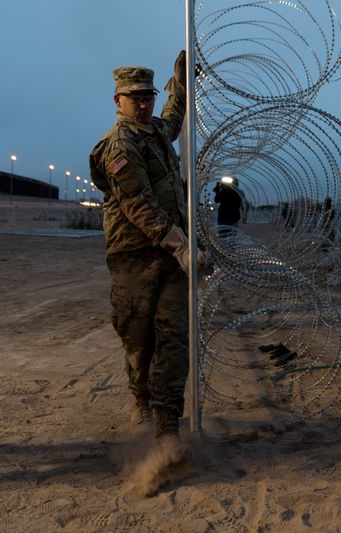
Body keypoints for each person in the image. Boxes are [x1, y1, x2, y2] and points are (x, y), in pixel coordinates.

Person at [89, 51, 204, 446]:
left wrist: (182, 83)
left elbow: (174, 117)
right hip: (133, 256)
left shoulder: (155, 131)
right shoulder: (117, 146)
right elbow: (138, 204)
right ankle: (139, 395)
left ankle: (167, 423)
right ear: (117, 100)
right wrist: (182, 245)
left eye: (148, 96)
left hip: (171, 254)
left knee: (174, 335)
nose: (143, 103)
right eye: (135, 96)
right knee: (138, 337)